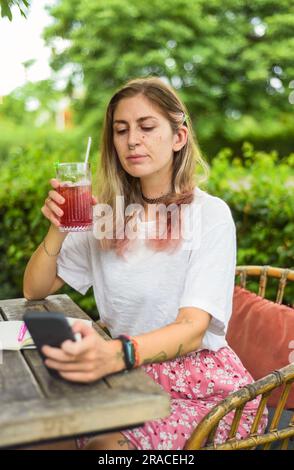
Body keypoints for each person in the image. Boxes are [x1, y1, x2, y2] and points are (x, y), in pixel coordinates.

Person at [23, 77, 267, 451]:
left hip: (202, 391)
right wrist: (58, 229)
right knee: (39, 434)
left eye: (147, 127)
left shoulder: (209, 214)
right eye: (121, 131)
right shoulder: (107, 214)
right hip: (121, 374)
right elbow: (34, 290)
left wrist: (116, 353)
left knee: (103, 445)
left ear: (178, 137)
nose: (132, 140)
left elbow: (193, 328)